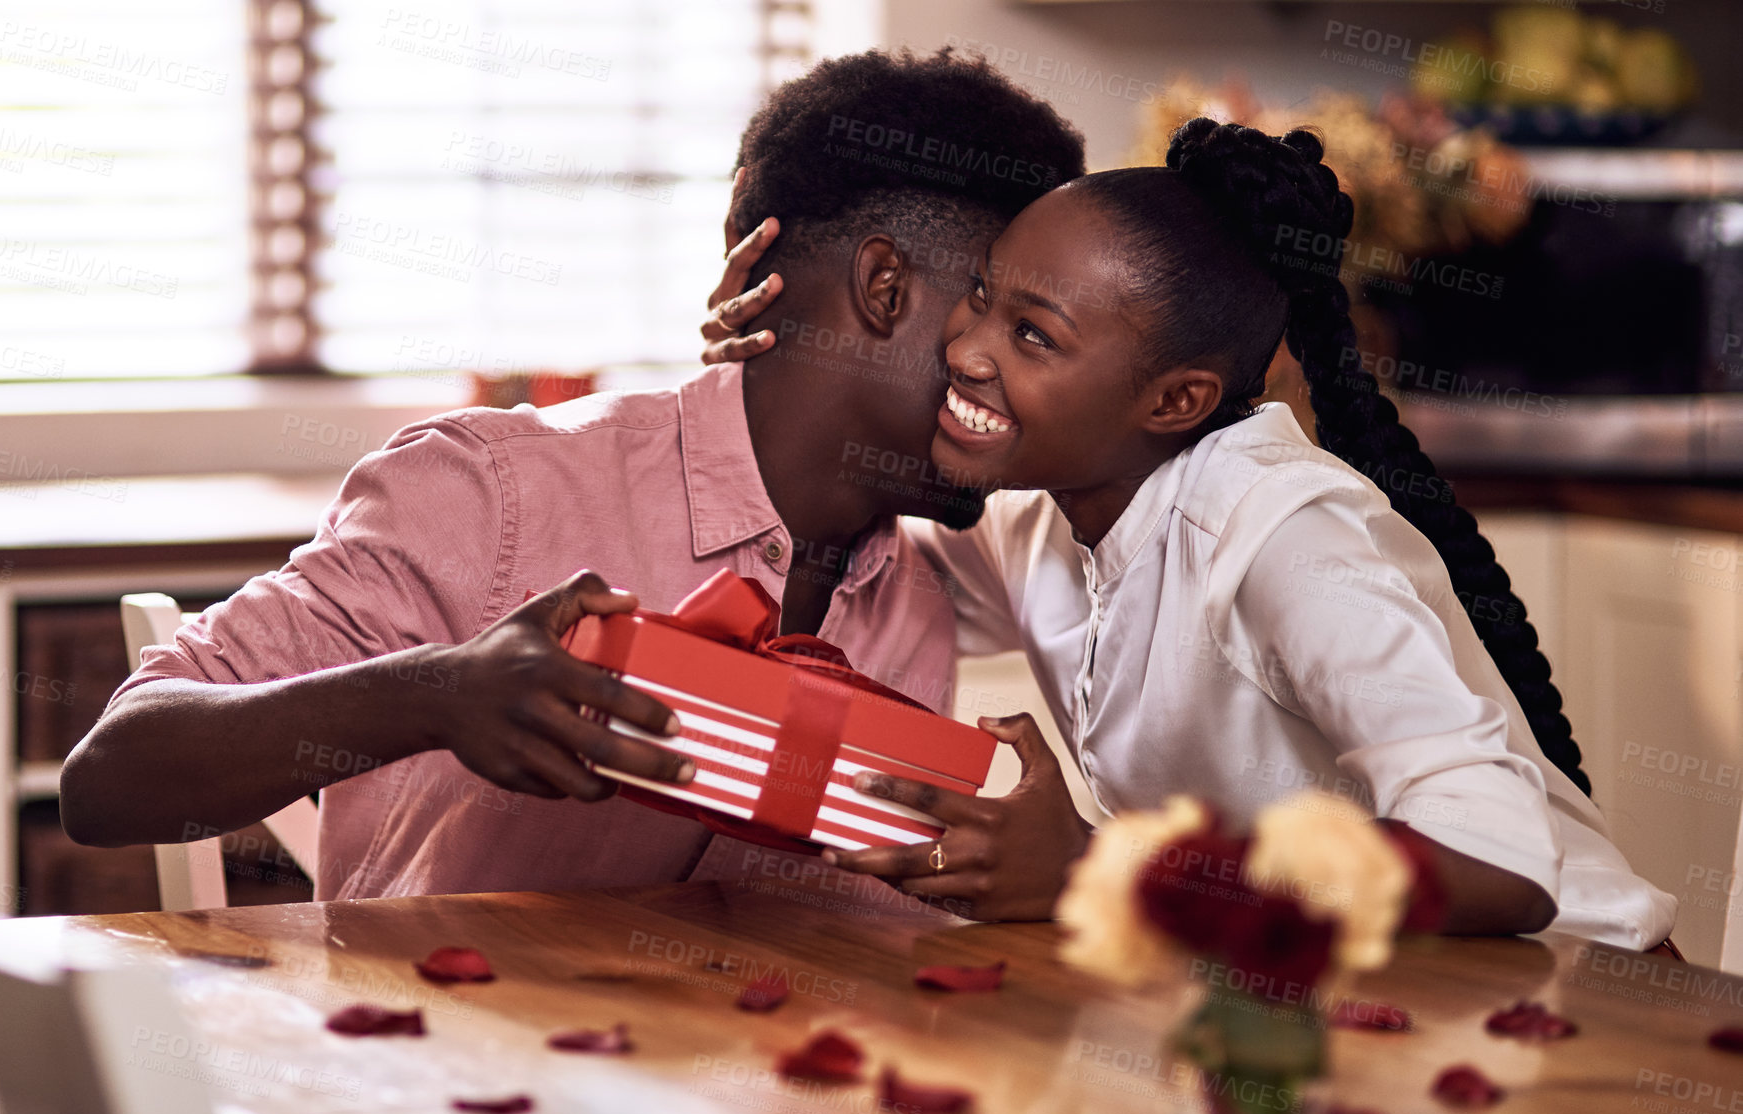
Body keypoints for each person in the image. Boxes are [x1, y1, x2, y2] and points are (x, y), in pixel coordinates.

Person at [58, 49, 1086, 902]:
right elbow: (111, 776)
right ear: (884, 286)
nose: (1039, 376)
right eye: (1013, 312)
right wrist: (436, 693)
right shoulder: (495, 491)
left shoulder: (920, 592)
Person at [710, 120, 1675, 949]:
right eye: (981, 295)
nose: (966, 349)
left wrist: (1106, 866)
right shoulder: (1034, 516)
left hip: (1580, 998)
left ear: (1176, 400)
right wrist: (780, 362)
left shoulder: (1281, 533)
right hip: (1351, 1003)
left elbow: (1500, 856)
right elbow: (833, 549)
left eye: (1034, 335)